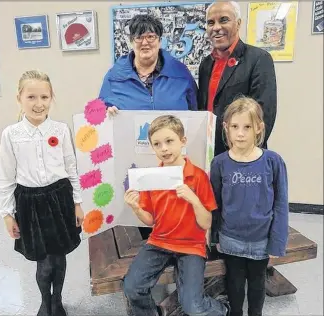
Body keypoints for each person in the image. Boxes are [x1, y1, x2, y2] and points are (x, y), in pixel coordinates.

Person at [0, 70, 84, 316]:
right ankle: (45, 301)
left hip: (60, 199)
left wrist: (77, 202)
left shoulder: (61, 129)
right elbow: (4, 177)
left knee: (59, 256)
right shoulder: (11, 135)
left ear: (51, 98)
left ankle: (58, 300)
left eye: (44, 97)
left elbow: (71, 167)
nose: (38, 104)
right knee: (43, 262)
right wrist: (7, 214)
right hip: (30, 203)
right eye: (31, 97)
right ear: (19, 98)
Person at [123, 115, 229, 316]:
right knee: (132, 288)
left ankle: (222, 309)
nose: (164, 148)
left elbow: (206, 222)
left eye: (169, 141)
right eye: (157, 144)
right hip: (159, 242)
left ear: (183, 141)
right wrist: (136, 208)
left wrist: (194, 200)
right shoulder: (151, 177)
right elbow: (151, 220)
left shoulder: (198, 176)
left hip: (191, 246)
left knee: (193, 307)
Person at [210, 97, 289, 316]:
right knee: (234, 285)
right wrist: (214, 237)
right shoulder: (219, 163)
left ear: (259, 128)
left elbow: (281, 204)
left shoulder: (273, 161)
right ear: (226, 128)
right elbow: (214, 204)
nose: (240, 133)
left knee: (256, 286)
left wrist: (277, 244)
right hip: (230, 239)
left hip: (261, 241)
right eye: (235, 127)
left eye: (247, 127)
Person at [198, 1, 277, 156]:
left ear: (238, 23)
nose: (216, 27)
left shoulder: (259, 59)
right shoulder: (205, 64)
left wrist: (242, 156)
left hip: (244, 157)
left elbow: (264, 114)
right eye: (210, 22)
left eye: (224, 20)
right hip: (210, 155)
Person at [99, 14, 198, 115]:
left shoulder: (181, 73)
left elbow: (197, 113)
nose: (145, 42)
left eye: (151, 36)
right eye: (139, 37)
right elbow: (95, 117)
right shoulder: (114, 76)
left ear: (159, 41)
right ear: (131, 42)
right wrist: (105, 114)